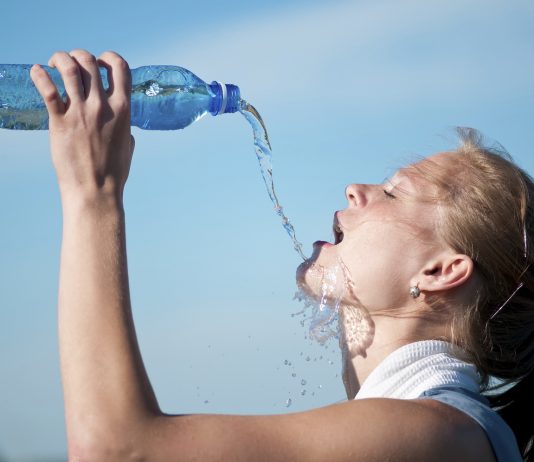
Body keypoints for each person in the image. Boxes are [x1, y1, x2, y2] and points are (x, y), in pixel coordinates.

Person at [30, 49, 532, 462]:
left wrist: (91, 193)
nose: (356, 189)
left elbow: (115, 450)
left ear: (442, 271)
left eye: (395, 193)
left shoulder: (441, 433)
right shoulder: (438, 429)